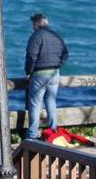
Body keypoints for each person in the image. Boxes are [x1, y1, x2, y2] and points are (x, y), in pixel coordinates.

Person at [24, 12, 69, 140]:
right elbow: (65, 54)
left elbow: (31, 56)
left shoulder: (36, 36)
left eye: (33, 23)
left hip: (39, 74)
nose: (32, 26)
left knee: (35, 104)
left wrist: (28, 72)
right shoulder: (56, 35)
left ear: (37, 24)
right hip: (54, 73)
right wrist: (57, 65)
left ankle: (32, 134)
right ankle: (52, 131)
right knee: (51, 101)